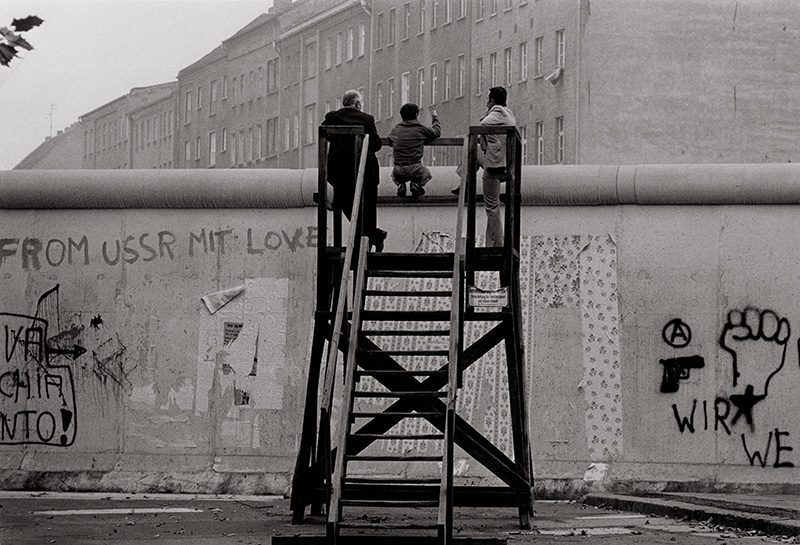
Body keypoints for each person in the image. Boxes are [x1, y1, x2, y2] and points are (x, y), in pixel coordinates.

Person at [322, 90, 387, 252]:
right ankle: (371, 237)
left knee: (346, 203)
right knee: (368, 207)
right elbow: (377, 144)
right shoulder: (366, 119)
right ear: (357, 104)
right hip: (365, 171)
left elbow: (325, 134)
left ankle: (372, 237)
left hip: (340, 171)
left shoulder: (332, 117)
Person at [479, 86, 516, 247]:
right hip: (504, 163)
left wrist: (485, 143)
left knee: (492, 206)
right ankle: (491, 243)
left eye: (488, 100)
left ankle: (498, 244)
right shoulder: (508, 113)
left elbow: (483, 124)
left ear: (492, 100)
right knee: (493, 206)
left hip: (494, 164)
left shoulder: (496, 112)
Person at [387, 103, 441, 197]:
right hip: (415, 168)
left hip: (398, 169)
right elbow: (437, 132)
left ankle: (401, 185)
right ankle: (416, 184)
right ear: (416, 115)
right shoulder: (420, 129)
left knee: (393, 174)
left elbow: (390, 140)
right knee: (427, 174)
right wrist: (435, 117)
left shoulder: (395, 130)